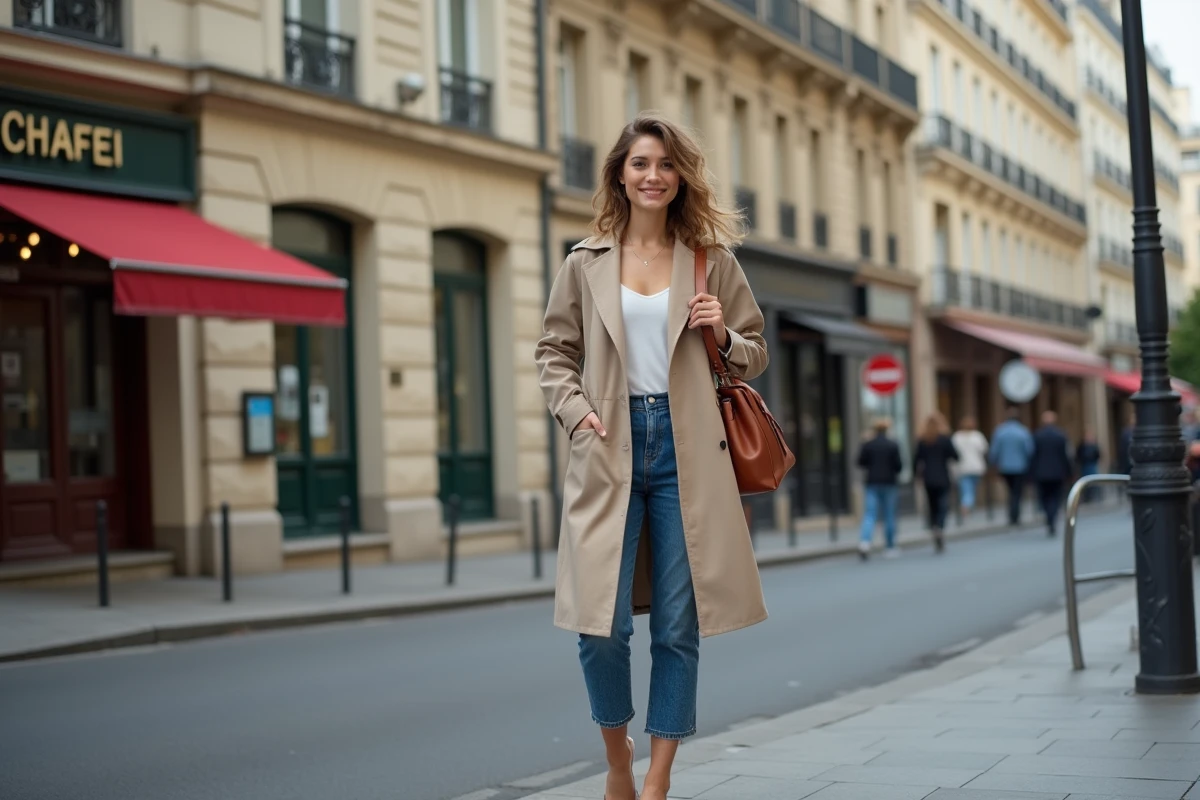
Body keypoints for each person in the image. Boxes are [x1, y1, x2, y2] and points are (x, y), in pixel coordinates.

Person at [535, 114, 769, 800]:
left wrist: (723, 332)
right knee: (598, 625)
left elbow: (753, 353)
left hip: (688, 448)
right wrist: (578, 415)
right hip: (608, 444)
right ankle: (617, 759)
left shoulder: (711, 260)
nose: (653, 175)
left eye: (666, 165)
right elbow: (554, 353)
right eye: (640, 163)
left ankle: (658, 778)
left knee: (676, 624)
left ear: (680, 178)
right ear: (620, 174)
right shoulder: (585, 262)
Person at [856, 416, 904, 560]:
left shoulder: (868, 444)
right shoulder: (893, 444)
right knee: (889, 515)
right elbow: (899, 466)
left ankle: (865, 542)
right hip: (889, 483)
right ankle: (890, 546)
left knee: (870, 514)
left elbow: (860, 462)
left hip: (872, 482)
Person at [913, 413, 959, 553]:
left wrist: (915, 476)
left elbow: (916, 460)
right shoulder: (944, 439)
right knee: (943, 504)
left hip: (928, 477)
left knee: (932, 505)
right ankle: (939, 526)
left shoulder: (923, 440)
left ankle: (934, 527)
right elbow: (955, 456)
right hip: (942, 476)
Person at [1030, 410, 1073, 536]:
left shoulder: (1038, 435)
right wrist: (1069, 472)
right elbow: (1065, 456)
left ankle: (1049, 517)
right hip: (1057, 472)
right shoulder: (1060, 435)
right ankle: (1052, 517)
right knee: (1055, 497)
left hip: (1041, 473)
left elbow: (1033, 456)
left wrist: (1031, 474)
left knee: (1044, 497)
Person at [989, 406, 1035, 526]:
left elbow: (994, 450)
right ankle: (1015, 514)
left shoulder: (1000, 431)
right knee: (1017, 492)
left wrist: (994, 463)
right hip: (1020, 467)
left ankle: (1012, 514)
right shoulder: (1023, 431)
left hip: (1005, 467)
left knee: (1011, 491)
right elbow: (1029, 450)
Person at [951, 416, 989, 519]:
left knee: (966, 488)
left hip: (962, 467)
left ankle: (967, 505)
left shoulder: (957, 437)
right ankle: (966, 505)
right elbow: (984, 449)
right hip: (975, 467)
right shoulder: (977, 436)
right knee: (970, 488)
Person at [1075, 428, 1102, 503]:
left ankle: (1093, 495)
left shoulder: (1094, 445)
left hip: (1092, 465)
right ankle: (1087, 496)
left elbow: (1098, 454)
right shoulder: (1082, 445)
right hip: (1085, 465)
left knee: (1093, 481)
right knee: (1085, 481)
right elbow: (1078, 455)